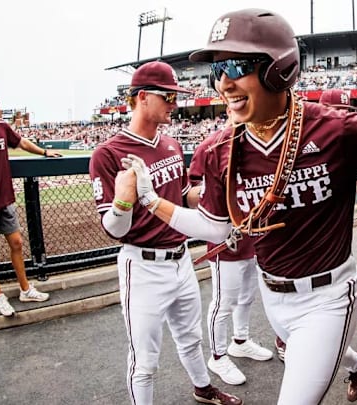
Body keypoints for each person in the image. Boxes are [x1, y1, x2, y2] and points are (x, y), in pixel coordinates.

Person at [117, 9, 357, 404]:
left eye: (236, 65)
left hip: (329, 293)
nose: (224, 82)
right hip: (272, 292)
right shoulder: (218, 149)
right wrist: (151, 200)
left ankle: (347, 358)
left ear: (279, 69)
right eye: (217, 70)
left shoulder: (337, 129)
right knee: (314, 353)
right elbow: (215, 228)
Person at [88, 61, 241, 405]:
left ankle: (203, 388)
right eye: (168, 96)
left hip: (181, 258)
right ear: (142, 97)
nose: (175, 103)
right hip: (142, 265)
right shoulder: (108, 153)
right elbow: (114, 229)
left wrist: (220, 189)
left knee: (190, 337)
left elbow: (185, 196)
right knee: (145, 360)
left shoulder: (171, 144)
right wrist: (124, 202)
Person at [190, 102, 274, 385]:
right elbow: (189, 191)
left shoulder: (256, 142)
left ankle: (240, 340)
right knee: (223, 302)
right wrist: (214, 198)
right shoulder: (211, 146)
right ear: (228, 109)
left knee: (247, 296)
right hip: (225, 237)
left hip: (253, 236)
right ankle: (216, 356)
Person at [0, 89, 59, 317]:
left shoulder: (2, 129)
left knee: (16, 243)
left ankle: (25, 289)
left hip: (6, 199)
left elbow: (22, 143)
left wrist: (44, 152)